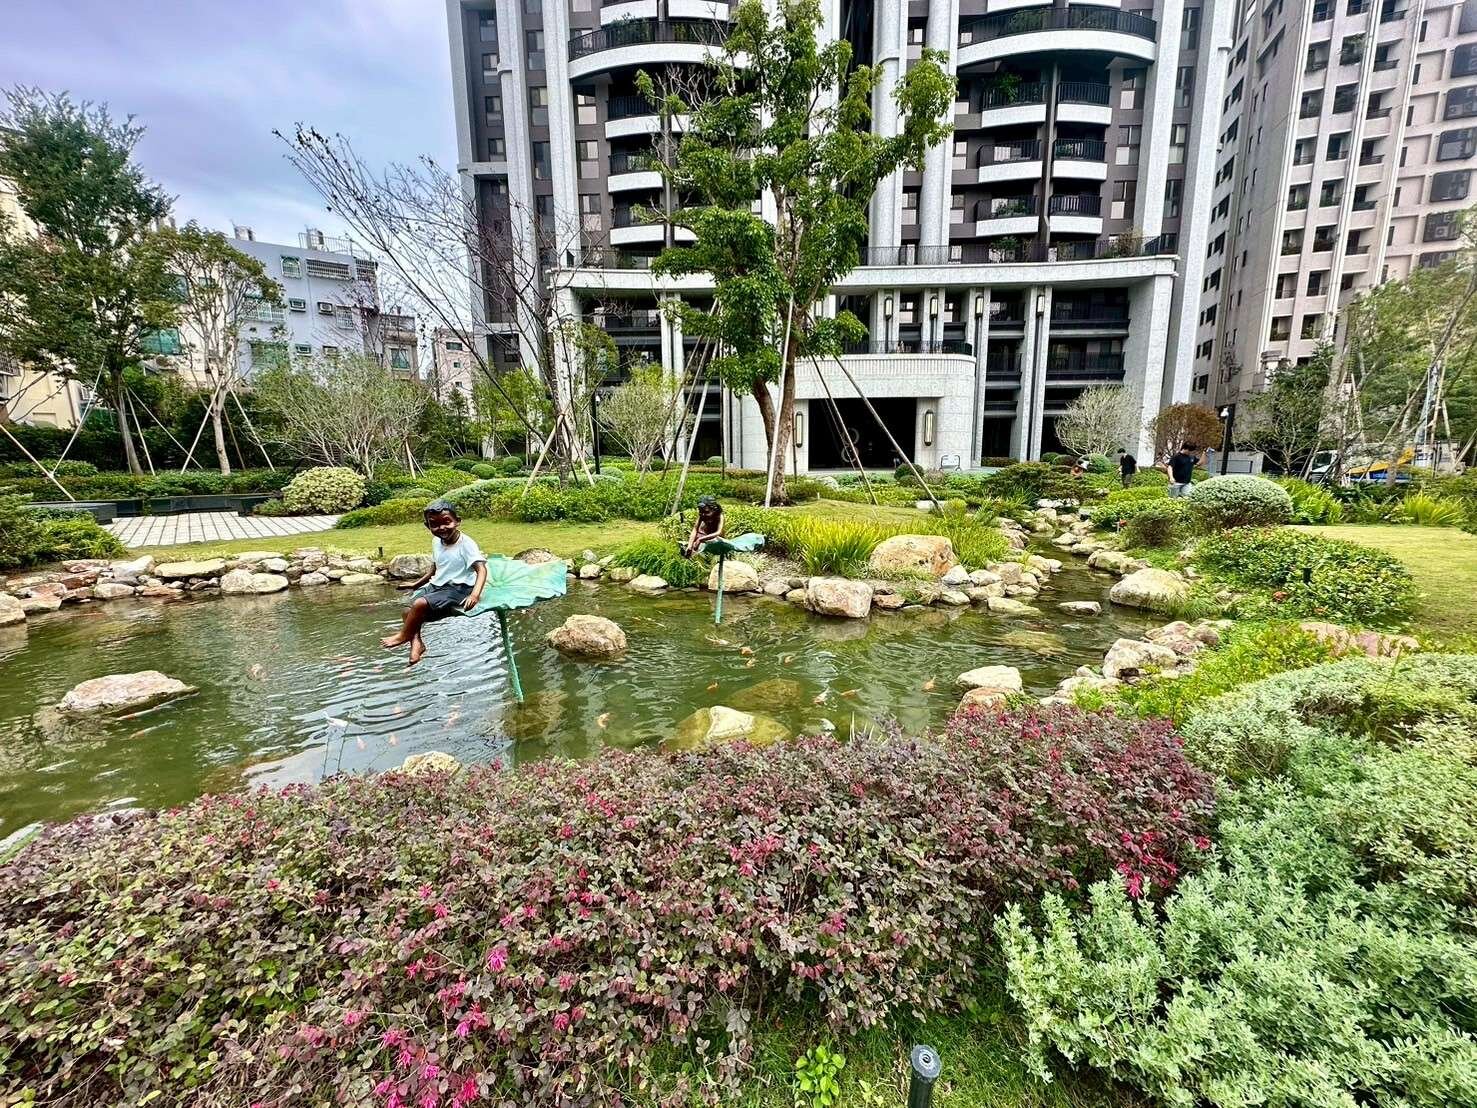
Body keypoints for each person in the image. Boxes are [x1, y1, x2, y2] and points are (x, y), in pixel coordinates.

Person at [380, 499, 488, 666]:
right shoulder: (437, 541)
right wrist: (415, 584)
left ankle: (404, 636)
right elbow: (435, 567)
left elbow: (481, 569)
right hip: (439, 585)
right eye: (434, 525)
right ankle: (417, 643)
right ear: (427, 526)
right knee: (406, 611)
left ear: (457, 521)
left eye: (446, 522)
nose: (441, 528)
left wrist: (475, 595)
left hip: (460, 588)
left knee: (419, 604)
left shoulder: (466, 544)